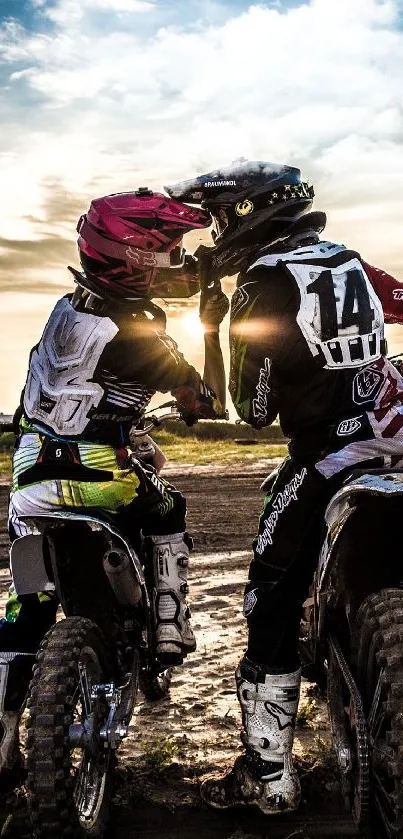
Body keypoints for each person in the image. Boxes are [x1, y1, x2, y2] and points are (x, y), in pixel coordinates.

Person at [166, 160, 403, 814]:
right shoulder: (349, 262)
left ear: (248, 214)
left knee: (267, 601)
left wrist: (215, 326)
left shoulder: (261, 285)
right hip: (390, 441)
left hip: (325, 456)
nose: (215, 231)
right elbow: (398, 300)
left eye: (219, 217)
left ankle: (267, 776)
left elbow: (253, 407)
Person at [0, 188, 224, 780]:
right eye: (167, 251)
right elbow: (202, 399)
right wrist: (208, 335)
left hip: (30, 475)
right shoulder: (141, 338)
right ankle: (172, 626)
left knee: (29, 601)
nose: (174, 260)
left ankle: (2, 734)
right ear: (135, 257)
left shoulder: (66, 312)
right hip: (101, 475)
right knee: (169, 509)